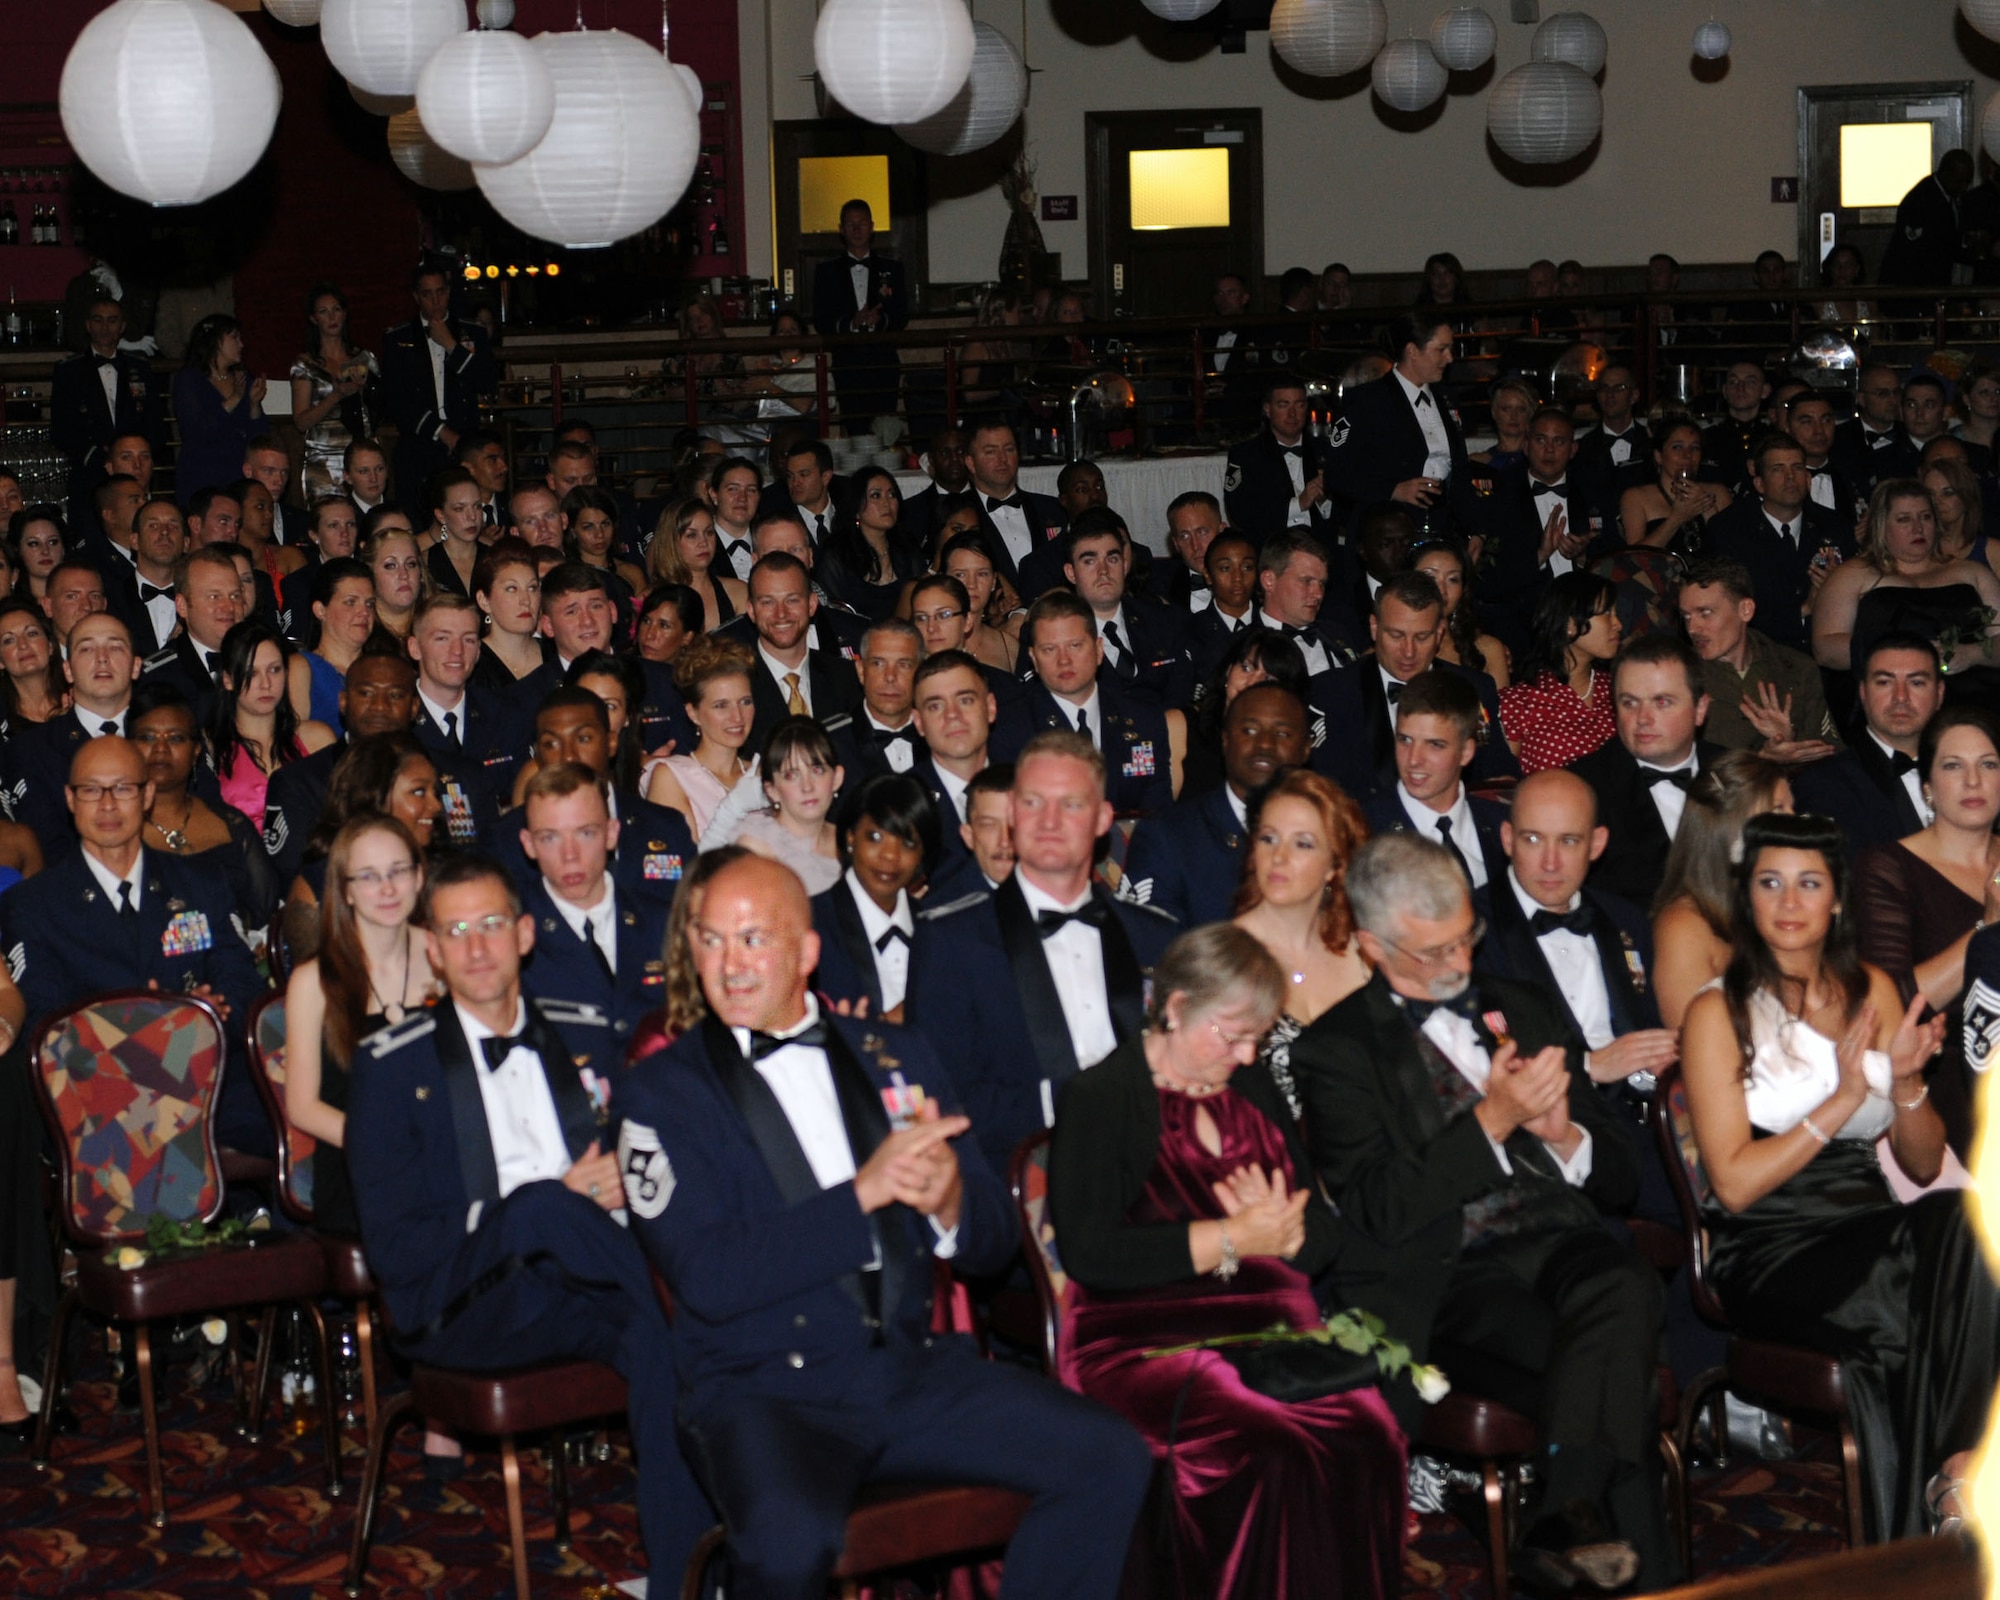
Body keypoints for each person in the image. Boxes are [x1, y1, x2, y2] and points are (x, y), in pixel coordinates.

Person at [616, 850, 1149, 1599]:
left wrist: (949, 1205)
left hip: (908, 1369)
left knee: (1112, 1457)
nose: (728, 963)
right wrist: (861, 1194)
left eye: (752, 939)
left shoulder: (899, 1056)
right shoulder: (660, 1095)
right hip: (766, 1390)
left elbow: (995, 1243)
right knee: (788, 1542)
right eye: (709, 939)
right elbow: (707, 1277)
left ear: (805, 952)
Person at [1293, 832, 1672, 1593]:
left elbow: (1623, 1174)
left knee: (1627, 1285)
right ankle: (1640, 1571)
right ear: (1370, 945)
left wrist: (1567, 1138)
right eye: (1429, 953)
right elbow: (1378, 1210)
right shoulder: (1333, 1051)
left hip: (1558, 1240)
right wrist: (1491, 1123)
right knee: (1601, 1374)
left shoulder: (1521, 1004)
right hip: (1446, 1277)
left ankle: (1557, 1522)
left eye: (1464, 938)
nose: (1457, 965)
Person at [345, 852, 711, 1579]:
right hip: (456, 1304)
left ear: (524, 934)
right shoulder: (390, 1067)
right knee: (546, 1203)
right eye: (456, 932)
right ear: (434, 951)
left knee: (663, 1354)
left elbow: (653, 1159)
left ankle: (687, 1581)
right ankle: (704, 1313)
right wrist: (531, 1209)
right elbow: (395, 1249)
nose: (476, 947)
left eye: (490, 925)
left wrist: (627, 1186)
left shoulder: (584, 1032)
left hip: (581, 1288)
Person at [1048, 923, 1409, 1600]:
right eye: (1231, 1034)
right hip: (1143, 1342)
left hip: (1270, 1334)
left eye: (1258, 1038)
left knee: (1372, 1435)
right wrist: (1233, 1238)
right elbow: (1091, 1253)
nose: (1245, 1056)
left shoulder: (1254, 1094)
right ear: (1177, 1007)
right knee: (1267, 1447)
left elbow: (1327, 1237)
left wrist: (1291, 1235)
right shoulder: (1101, 1097)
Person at [1679, 810, 1998, 1541]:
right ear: (1746, 898)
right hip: (1768, 1242)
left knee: (1969, 1227)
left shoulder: (1876, 992)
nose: (1789, 903)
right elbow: (1730, 1184)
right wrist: (1846, 1098)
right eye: (1770, 883)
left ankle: (1948, 1493)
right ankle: (1954, 1493)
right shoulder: (1716, 1011)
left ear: (1838, 901)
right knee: (1944, 1267)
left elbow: (1920, 1161)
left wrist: (1910, 1081)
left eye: (1809, 884)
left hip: (1869, 1219)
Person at [906, 731, 1180, 1177]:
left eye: (1070, 804)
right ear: (1013, 815)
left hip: (1157, 1177)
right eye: (1034, 803)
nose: (1049, 822)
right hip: (1023, 1189)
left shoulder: (1157, 937)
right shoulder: (951, 944)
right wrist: (1073, 1101)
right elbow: (945, 1098)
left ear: (1102, 819)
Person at [2, 736, 268, 1153]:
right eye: (91, 790)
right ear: (70, 799)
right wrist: (152, 1031)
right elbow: (42, 1020)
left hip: (205, 1077)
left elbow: (242, 985)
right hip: (98, 1093)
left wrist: (206, 1019)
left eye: (123, 788)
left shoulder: (200, 885)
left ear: (146, 795)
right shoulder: (34, 905)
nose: (107, 805)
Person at [1480, 768, 1679, 1169]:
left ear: (1597, 844)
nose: (1551, 862)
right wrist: (1589, 1066)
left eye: (1568, 841)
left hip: (1652, 1130)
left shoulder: (1627, 919)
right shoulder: (1470, 930)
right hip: (1543, 1145)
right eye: (1533, 839)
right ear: (1506, 839)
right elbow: (1472, 1058)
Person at [1850, 705, 2000, 1162]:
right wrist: (1986, 930)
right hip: (1943, 1080)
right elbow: (1893, 1003)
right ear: (1928, 788)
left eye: (1988, 765)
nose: (1973, 782)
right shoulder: (1887, 867)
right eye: (1954, 766)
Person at [282, 814, 436, 1237]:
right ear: (345, 890)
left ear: (419, 877)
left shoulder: (447, 958)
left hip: (442, 1155)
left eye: (398, 872)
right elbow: (303, 1107)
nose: (387, 889)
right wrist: (389, 1146)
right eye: (368, 876)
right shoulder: (312, 981)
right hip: (361, 1165)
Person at [1123, 682, 1307, 927]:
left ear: (1306, 749)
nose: (1265, 744)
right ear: (1225, 741)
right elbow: (1146, 946)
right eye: (1249, 731)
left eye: (1282, 733)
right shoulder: (1167, 837)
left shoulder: (1331, 832)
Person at [516, 763, 668, 1042]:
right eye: (550, 837)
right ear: (528, 844)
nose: (570, 854)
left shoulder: (663, 922)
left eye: (585, 833)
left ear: (611, 834)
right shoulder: (514, 938)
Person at [1572, 634, 1725, 905]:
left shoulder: (1737, 773)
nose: (1643, 719)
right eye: (1629, 703)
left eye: (1662, 702)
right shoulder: (1580, 788)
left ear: (1700, 709)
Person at [993, 589, 1174, 814]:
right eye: (1049, 649)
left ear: (1099, 650)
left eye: (1075, 645)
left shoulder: (1143, 720)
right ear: (1034, 660)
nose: (1064, 660)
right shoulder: (1011, 730)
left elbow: (1159, 812)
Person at [1651, 752, 1794, 1030]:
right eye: (1778, 810)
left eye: (1791, 809)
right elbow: (1691, 1043)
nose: (1794, 822)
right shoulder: (1683, 927)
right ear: (1731, 826)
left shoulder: (1774, 904)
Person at [281, 730, 443, 962]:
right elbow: (320, 982)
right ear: (375, 797)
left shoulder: (440, 867)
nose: (436, 805)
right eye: (418, 792)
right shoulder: (321, 884)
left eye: (433, 792)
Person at [1812, 478, 2000, 676]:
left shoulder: (1973, 572)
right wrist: (1904, 651)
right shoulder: (1852, 574)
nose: (1918, 528)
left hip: (1969, 693)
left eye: (1925, 517)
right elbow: (1826, 649)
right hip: (1887, 689)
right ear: (1881, 526)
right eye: (1904, 519)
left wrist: (1971, 654)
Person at [130, 681, 278, 928]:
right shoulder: (111, 829)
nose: (161, 749)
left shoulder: (232, 825)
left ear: (196, 750)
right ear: (128, 747)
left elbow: (267, 915)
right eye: (147, 737)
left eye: (176, 738)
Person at [1792, 632, 1944, 859]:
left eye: (1916, 682)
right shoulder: (1824, 786)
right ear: (1863, 693)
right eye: (1884, 682)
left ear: (1939, 694)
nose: (1900, 697)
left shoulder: (1973, 775)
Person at [1699, 434, 1855, 654]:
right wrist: (1803, 610)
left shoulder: (1835, 526)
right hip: (1757, 655)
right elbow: (1724, 613)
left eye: (1798, 468)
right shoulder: (1729, 531)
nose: (1790, 477)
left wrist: (1838, 586)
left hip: (1825, 655)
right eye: (1778, 469)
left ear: (1809, 478)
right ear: (1759, 484)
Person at [1324, 312, 1472, 543]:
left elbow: (1461, 468)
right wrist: (1392, 490)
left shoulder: (1447, 398)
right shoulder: (1366, 400)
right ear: (1412, 351)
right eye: (1441, 349)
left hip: (1444, 528)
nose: (1450, 358)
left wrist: (1473, 530)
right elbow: (1337, 473)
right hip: (1387, 533)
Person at [1363, 669, 1509, 898]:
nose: (1413, 759)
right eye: (1405, 740)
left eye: (1434, 745)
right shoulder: (1362, 830)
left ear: (1466, 752)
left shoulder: (1503, 826)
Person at [1677, 557, 1838, 761]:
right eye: (1686, 616)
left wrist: (1788, 741)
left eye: (1705, 613)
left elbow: (1831, 758)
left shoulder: (1795, 669)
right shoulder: (1680, 677)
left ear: (1745, 610)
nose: (1692, 629)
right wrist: (1762, 762)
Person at [808, 771, 939, 1021]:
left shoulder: (939, 930)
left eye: (908, 843)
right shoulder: (809, 925)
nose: (890, 855)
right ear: (850, 837)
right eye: (876, 837)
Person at [381, 263, 495, 513]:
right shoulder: (398, 338)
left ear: (449, 291)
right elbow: (396, 400)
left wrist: (451, 346)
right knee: (418, 513)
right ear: (416, 296)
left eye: (440, 292)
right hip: (419, 440)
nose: (435, 300)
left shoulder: (472, 331)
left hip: (465, 440)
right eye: (427, 294)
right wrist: (441, 432)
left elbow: (486, 382)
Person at [209, 619, 335, 832]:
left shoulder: (317, 738)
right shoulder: (211, 747)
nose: (266, 683)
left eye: (274, 670)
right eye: (252, 673)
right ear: (228, 679)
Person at [701, 715, 845, 895]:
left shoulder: (849, 840)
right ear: (772, 790)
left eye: (817, 770)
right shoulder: (755, 849)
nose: (807, 786)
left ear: (837, 778)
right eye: (791, 775)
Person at [1498, 571, 1622, 773]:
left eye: (1616, 613)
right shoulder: (1520, 702)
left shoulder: (1621, 690)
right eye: (1607, 613)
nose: (1618, 624)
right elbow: (1504, 785)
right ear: (1570, 624)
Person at [51, 293, 161, 520]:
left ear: (122, 327)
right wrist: (96, 456)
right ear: (88, 325)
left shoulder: (139, 367)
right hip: (90, 471)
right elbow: (61, 428)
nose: (105, 327)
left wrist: (138, 457)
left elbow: (155, 422)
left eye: (112, 320)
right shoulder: (69, 371)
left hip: (135, 469)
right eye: (98, 320)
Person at [741, 551, 864, 750]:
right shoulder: (734, 684)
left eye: (792, 600)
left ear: (812, 604)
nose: (781, 614)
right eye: (768, 602)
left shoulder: (846, 677)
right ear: (751, 610)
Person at [645, 634, 758, 840]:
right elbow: (685, 865)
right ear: (693, 713)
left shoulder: (763, 773)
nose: (737, 716)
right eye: (721, 705)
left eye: (745, 702)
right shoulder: (672, 777)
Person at [811, 198, 908, 436]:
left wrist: (880, 321)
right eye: (850, 224)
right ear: (841, 229)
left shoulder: (892, 268)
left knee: (885, 430)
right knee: (855, 429)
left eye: (862, 223)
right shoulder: (826, 271)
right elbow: (820, 318)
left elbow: (902, 313)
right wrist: (851, 323)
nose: (856, 229)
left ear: (872, 226)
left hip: (884, 360)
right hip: (848, 362)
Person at [289, 282, 381, 501]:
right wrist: (336, 396)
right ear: (313, 319)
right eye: (323, 311)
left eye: (336, 310)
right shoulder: (306, 364)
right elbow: (301, 422)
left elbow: (381, 405)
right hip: (324, 462)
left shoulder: (364, 359)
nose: (331, 317)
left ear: (344, 314)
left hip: (362, 458)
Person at [1223, 377, 1338, 542]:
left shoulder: (1326, 450)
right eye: (1284, 405)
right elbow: (1240, 513)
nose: (1292, 414)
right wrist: (1298, 504)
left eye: (1299, 405)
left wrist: (1323, 503)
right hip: (1270, 548)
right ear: (1268, 410)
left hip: (1320, 548)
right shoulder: (1245, 454)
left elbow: (1347, 511)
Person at [171, 314, 265, 505]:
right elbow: (197, 431)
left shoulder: (242, 377)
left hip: (237, 472)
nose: (241, 344)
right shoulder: (190, 379)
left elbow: (259, 435)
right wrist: (235, 398)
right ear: (216, 342)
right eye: (235, 338)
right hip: (202, 473)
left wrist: (254, 403)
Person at [817, 465, 920, 623]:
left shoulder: (907, 546)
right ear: (856, 507)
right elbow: (832, 615)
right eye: (876, 495)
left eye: (892, 494)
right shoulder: (838, 554)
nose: (887, 503)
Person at [1618, 419, 1732, 555]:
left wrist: (1708, 507)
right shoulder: (1636, 497)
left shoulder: (1718, 493)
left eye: (1694, 448)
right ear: (1659, 456)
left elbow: (1732, 550)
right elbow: (1635, 557)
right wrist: (1676, 518)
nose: (1687, 455)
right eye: (1677, 447)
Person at [1411, 538, 1510, 690]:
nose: (1441, 590)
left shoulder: (1488, 650)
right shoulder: (1386, 650)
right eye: (1430, 577)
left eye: (1453, 579)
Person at [295, 553, 376, 734]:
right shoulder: (302, 667)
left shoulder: (381, 668)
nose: (364, 612)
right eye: (350, 602)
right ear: (320, 610)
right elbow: (295, 746)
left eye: (370, 604)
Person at [648, 497, 745, 632]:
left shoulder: (739, 591)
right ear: (671, 541)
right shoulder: (651, 598)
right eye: (692, 535)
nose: (704, 543)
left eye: (709, 533)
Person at [1832, 366, 1922, 503]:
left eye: (1896, 393)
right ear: (1861, 399)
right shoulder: (1838, 439)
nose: (1893, 401)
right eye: (1882, 394)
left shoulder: (1912, 434)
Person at [470, 539, 547, 687]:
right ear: (484, 600)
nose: (526, 600)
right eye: (512, 589)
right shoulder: (473, 664)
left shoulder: (555, 653)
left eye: (532, 588)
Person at [563, 483, 646, 606]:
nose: (600, 534)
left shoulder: (631, 573)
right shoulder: (564, 575)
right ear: (572, 530)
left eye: (605, 524)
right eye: (588, 527)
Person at [0, 596, 67, 736]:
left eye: (32, 633)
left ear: (50, 646)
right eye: (8, 640)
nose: (23, 645)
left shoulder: (79, 701)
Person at [362, 515, 427, 645]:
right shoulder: (359, 632)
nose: (404, 575)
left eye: (411, 564)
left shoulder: (439, 623)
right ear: (370, 574)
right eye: (390, 566)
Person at [637, 583, 703, 668]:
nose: (649, 635)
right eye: (646, 621)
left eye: (664, 626)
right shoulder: (620, 673)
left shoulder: (703, 679)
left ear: (687, 637)